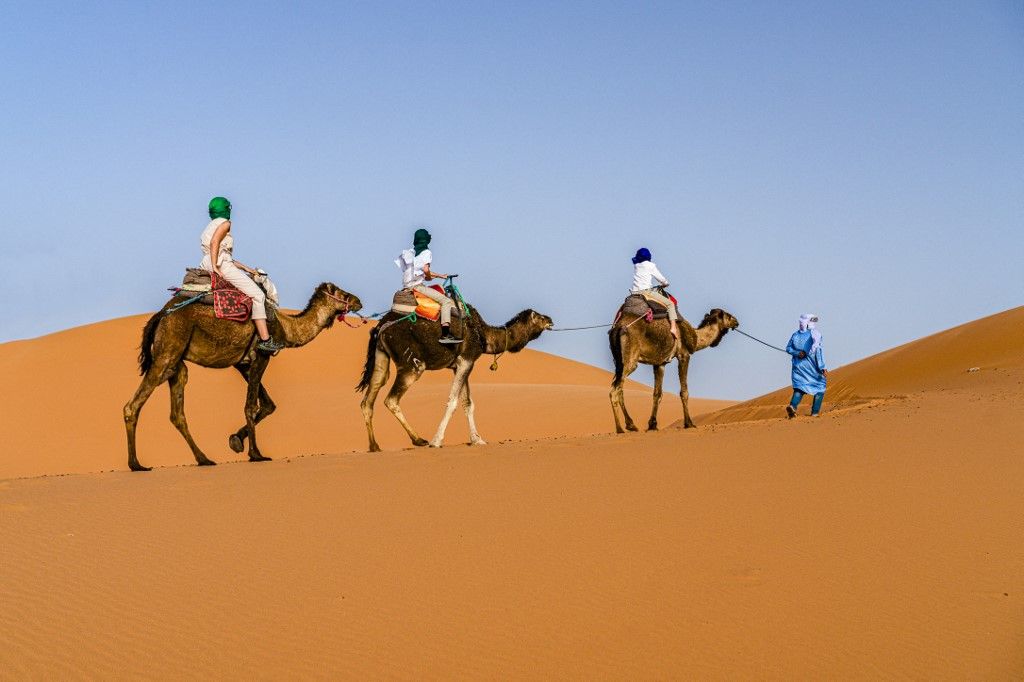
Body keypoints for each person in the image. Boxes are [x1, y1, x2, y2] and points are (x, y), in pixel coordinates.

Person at [200, 196, 283, 353]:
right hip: (219, 264)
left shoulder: (208, 227)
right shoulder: (226, 223)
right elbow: (215, 244)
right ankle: (265, 340)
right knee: (258, 296)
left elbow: (224, 255)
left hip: (211, 262)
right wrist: (216, 267)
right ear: (225, 209)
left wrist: (248, 269)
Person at [395, 228, 461, 344]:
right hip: (417, 287)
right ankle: (445, 334)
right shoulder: (426, 252)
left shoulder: (410, 253)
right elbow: (426, 270)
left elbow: (418, 271)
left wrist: (440, 276)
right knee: (446, 301)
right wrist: (430, 277)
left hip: (406, 286)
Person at [630, 247, 679, 339]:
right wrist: (665, 284)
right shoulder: (650, 265)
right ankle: (673, 328)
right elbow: (662, 279)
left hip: (633, 293)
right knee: (670, 304)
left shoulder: (637, 265)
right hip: (646, 293)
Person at [786, 313, 827, 417]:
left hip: (798, 367)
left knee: (799, 388)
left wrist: (796, 353)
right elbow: (818, 352)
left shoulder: (795, 335)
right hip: (812, 367)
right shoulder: (815, 334)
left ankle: (793, 406)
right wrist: (822, 367)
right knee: (820, 387)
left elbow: (788, 348)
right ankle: (815, 413)